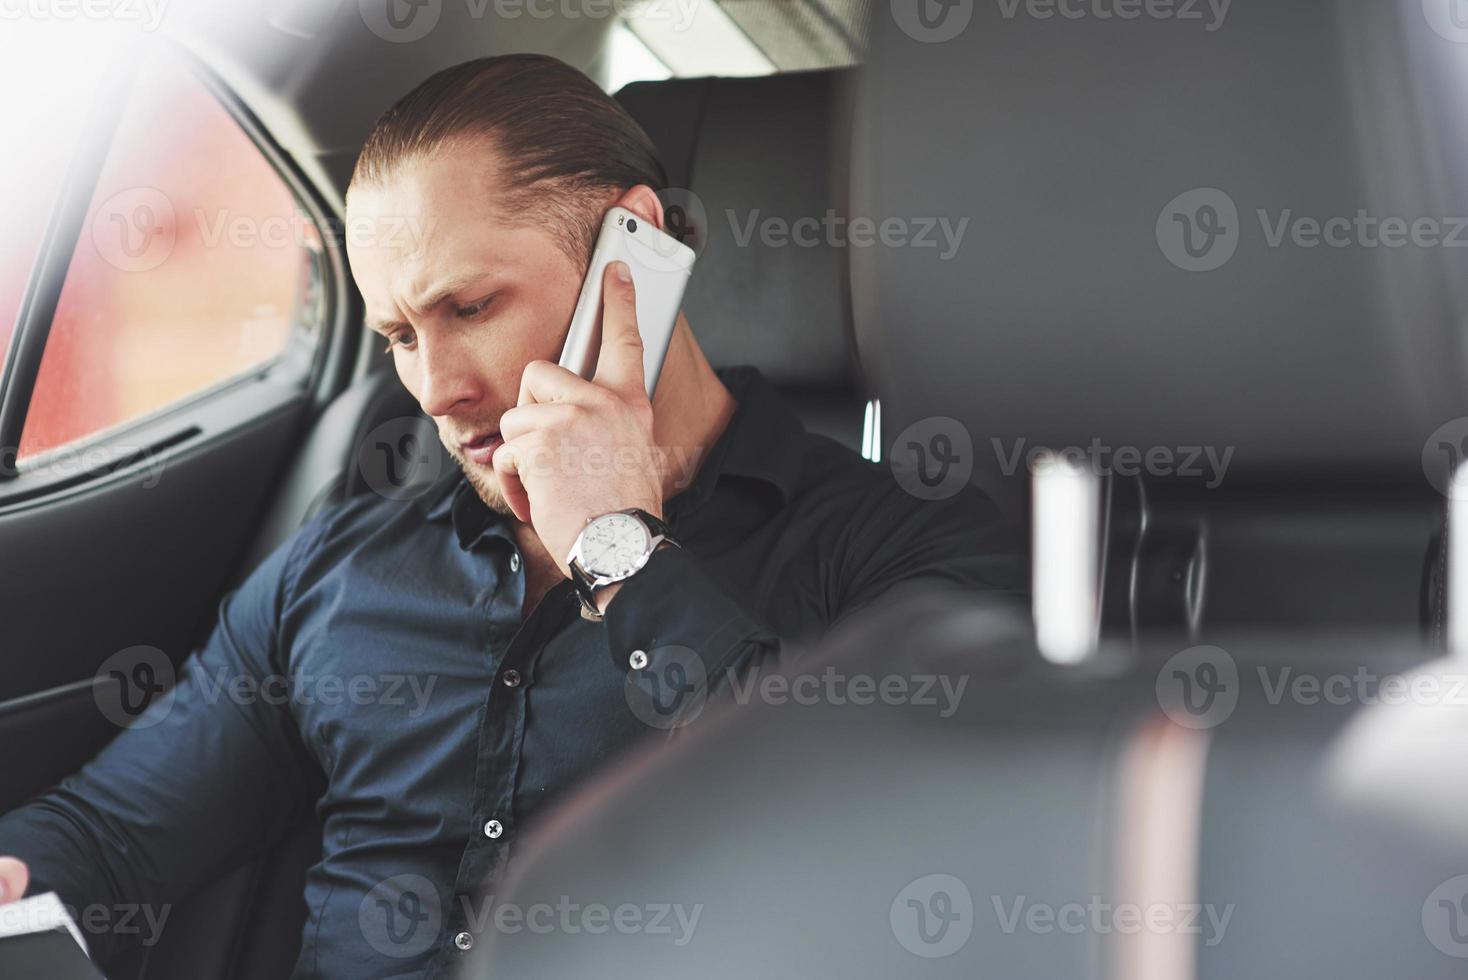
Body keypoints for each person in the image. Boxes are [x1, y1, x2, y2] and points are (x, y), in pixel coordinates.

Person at [0, 53, 1022, 978]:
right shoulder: (341, 567)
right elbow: (112, 833)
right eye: (399, 333)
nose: (434, 388)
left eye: (471, 308)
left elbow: (890, 840)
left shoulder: (897, 550)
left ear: (635, 253)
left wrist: (617, 549)